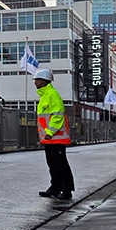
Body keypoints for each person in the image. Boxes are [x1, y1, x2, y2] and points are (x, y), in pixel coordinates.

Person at [33, 68, 74, 200]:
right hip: (50, 138)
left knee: (60, 164)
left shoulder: (52, 95)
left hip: (56, 137)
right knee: (52, 164)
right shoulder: (45, 95)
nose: (35, 83)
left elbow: (57, 115)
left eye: (37, 80)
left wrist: (50, 132)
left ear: (44, 81)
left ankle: (67, 191)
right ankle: (55, 188)